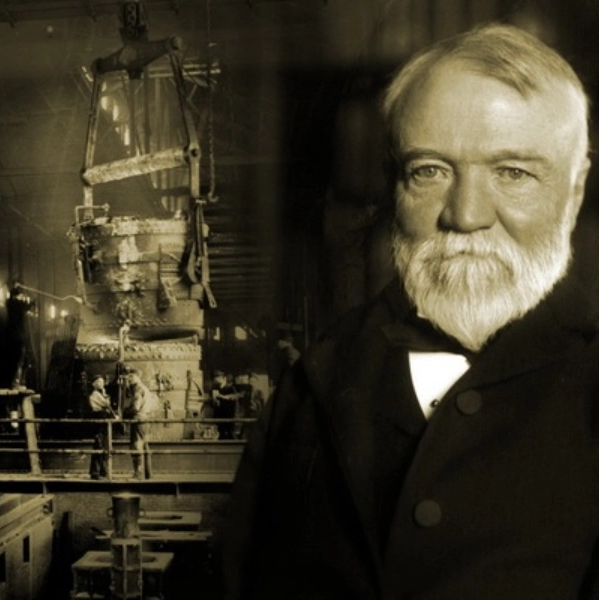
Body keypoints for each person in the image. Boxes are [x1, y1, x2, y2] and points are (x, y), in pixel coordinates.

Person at [223, 24, 599, 599]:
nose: (465, 215)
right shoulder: (311, 385)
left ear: (574, 192)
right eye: (430, 170)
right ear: (393, 186)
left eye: (513, 173)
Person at [124, 369, 158, 479]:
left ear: (138, 377)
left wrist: (125, 412)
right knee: (145, 445)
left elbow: (135, 407)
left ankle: (138, 474)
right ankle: (148, 474)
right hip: (145, 419)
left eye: (132, 376)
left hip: (138, 419)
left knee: (136, 445)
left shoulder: (138, 389)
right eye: (128, 376)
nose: (129, 379)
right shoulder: (145, 388)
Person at [5, 281, 34, 390]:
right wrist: (27, 291)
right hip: (18, 336)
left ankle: (13, 382)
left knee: (13, 360)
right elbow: (31, 303)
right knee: (18, 360)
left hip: (11, 336)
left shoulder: (9, 303)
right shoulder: (18, 305)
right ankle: (16, 382)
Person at [87, 374, 116, 480]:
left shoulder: (100, 394)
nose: (101, 384)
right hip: (99, 420)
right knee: (99, 446)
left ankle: (102, 471)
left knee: (102, 446)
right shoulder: (95, 394)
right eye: (98, 382)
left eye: (102, 382)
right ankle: (95, 472)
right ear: (93, 384)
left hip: (102, 420)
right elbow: (106, 404)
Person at [211, 371, 241, 440]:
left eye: (218, 377)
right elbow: (214, 404)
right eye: (215, 378)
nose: (216, 380)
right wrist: (214, 400)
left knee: (230, 434)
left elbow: (233, 397)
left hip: (229, 416)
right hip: (219, 416)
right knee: (221, 434)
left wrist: (220, 396)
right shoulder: (216, 389)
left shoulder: (230, 388)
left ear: (224, 378)